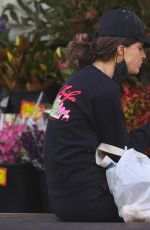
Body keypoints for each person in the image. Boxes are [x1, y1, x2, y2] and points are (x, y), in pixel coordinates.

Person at [43, 8, 150, 222]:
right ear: (120, 50)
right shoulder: (102, 88)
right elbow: (122, 154)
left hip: (63, 200)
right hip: (89, 201)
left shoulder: (81, 80)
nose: (144, 55)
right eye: (139, 48)